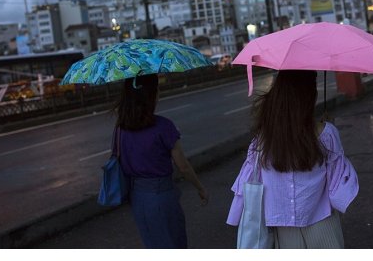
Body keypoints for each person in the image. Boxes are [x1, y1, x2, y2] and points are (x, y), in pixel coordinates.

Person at [226, 70, 359, 248]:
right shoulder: (327, 134)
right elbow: (338, 190)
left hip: (282, 227)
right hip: (321, 223)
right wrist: (328, 127)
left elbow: (248, 182)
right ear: (310, 95)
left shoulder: (263, 140)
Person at [114, 74, 209, 248]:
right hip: (161, 196)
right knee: (173, 243)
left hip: (137, 198)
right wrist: (200, 188)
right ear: (152, 94)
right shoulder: (163, 126)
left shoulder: (121, 128)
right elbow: (183, 166)